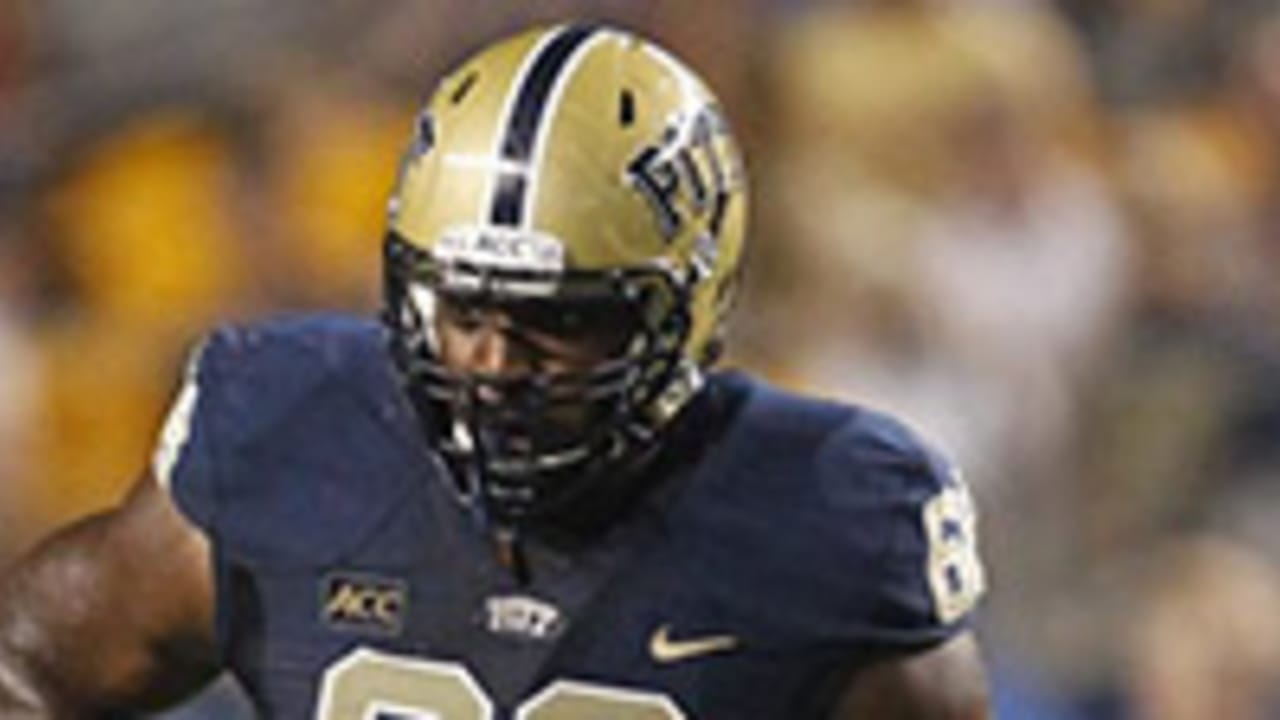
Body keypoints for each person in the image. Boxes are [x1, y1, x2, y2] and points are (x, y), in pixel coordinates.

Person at [0, 24, 991, 719]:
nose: (493, 361)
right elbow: (33, 667)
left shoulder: (820, 520)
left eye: (558, 321)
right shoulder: (289, 431)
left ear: (687, 308)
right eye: (462, 307)